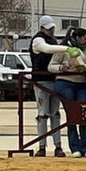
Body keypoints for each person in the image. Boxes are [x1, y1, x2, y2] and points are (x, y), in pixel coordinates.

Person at [49, 26, 86, 157]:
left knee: (84, 115)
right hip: (65, 82)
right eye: (85, 38)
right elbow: (51, 66)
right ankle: (74, 147)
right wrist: (61, 67)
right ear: (78, 38)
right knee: (72, 114)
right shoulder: (63, 49)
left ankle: (85, 146)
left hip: (82, 83)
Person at [30, 15, 65, 158]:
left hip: (53, 80)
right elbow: (47, 49)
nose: (51, 30)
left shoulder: (53, 40)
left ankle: (58, 145)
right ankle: (42, 145)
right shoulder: (38, 40)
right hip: (41, 80)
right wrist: (66, 48)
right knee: (42, 114)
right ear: (42, 28)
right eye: (48, 28)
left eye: (52, 28)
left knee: (55, 114)